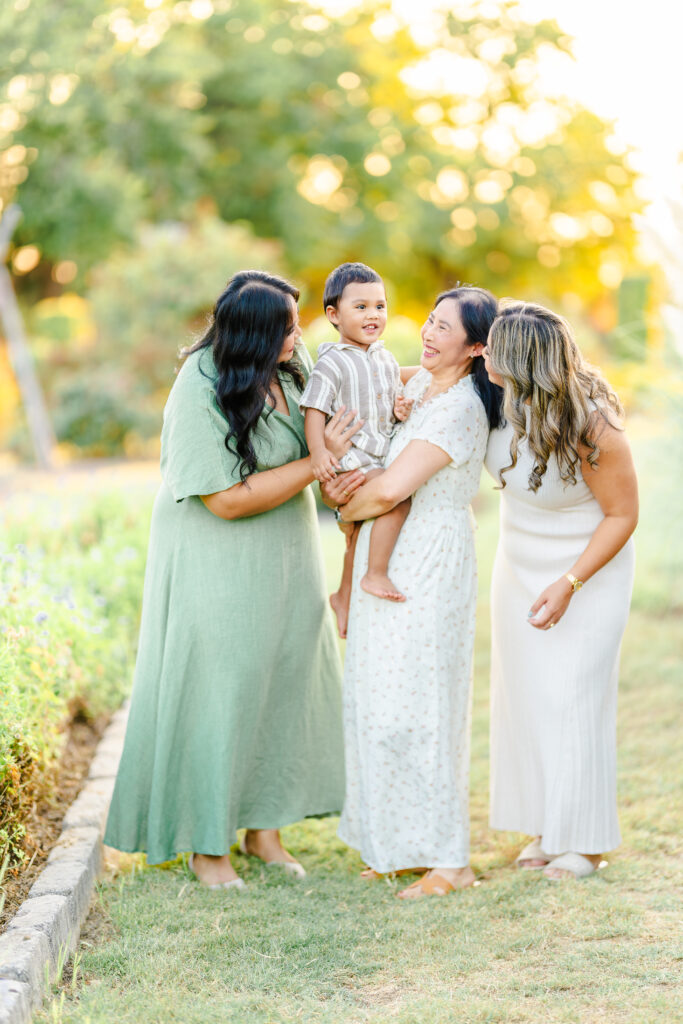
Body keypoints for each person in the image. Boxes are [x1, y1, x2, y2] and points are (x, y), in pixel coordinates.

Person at [104, 270, 358, 889]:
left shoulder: (292, 373)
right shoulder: (197, 385)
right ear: (252, 335)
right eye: (288, 329)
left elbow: (358, 391)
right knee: (222, 686)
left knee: (284, 674)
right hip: (217, 557)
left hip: (286, 553)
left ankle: (264, 829)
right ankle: (206, 841)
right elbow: (226, 500)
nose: (299, 338)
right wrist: (313, 463)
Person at [328, 286, 502, 899]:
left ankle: (450, 859)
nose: (427, 334)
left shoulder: (459, 409)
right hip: (390, 551)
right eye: (428, 321)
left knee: (424, 706)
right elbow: (369, 370)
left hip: (429, 557)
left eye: (444, 329)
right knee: (380, 702)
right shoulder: (421, 387)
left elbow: (387, 491)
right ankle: (396, 844)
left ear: (476, 347)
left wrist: (340, 497)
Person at [483, 301, 638, 881]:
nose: (482, 351)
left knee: (574, 699)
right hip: (517, 569)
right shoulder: (497, 397)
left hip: (585, 572)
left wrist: (571, 583)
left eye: (493, 344)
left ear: (520, 360)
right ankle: (546, 826)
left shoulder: (593, 422)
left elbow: (622, 515)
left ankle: (586, 842)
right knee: (527, 698)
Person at [300, 262, 414, 640]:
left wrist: (399, 410)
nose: (373, 315)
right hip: (355, 461)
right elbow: (315, 409)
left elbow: (388, 403)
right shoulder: (332, 361)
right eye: (360, 307)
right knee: (395, 496)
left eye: (380, 306)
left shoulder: (385, 358)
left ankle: (343, 596)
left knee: (354, 537)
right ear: (334, 314)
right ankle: (375, 572)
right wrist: (319, 453)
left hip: (380, 453)